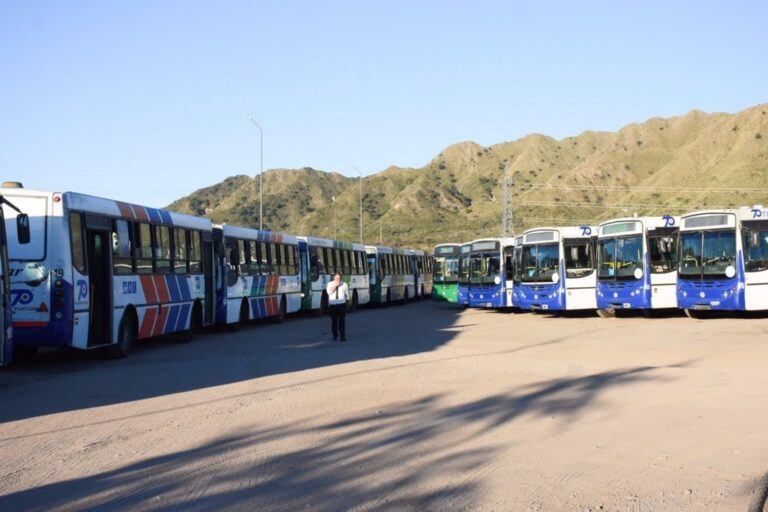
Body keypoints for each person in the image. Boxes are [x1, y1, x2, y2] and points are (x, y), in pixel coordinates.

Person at [326, 272, 349, 341]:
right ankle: (335, 335)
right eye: (336, 278)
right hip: (333, 305)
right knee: (334, 321)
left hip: (342, 305)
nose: (337, 280)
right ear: (334, 278)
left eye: (339, 278)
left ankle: (342, 336)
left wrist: (347, 303)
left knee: (342, 321)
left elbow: (346, 294)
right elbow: (329, 292)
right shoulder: (330, 284)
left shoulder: (344, 284)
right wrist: (335, 285)